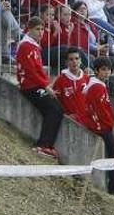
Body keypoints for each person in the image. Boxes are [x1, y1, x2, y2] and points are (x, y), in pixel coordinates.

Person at [16, 17, 64, 159]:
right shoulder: (26, 46)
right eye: (37, 29)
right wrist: (46, 86)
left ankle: (46, 144)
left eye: (42, 29)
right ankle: (43, 145)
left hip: (36, 85)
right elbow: (30, 70)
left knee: (57, 109)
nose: (41, 32)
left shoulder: (34, 46)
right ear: (29, 29)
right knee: (54, 109)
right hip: (29, 86)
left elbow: (38, 69)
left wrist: (47, 84)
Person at [83, 57, 114, 196]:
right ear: (96, 71)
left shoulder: (97, 85)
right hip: (102, 128)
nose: (107, 73)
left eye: (109, 70)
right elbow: (102, 111)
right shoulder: (97, 87)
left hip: (103, 126)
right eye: (103, 70)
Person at [52, 48, 91, 125]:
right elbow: (56, 101)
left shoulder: (87, 79)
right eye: (71, 59)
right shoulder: (61, 80)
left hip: (86, 122)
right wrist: (65, 115)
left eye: (77, 58)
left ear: (80, 61)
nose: (74, 62)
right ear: (66, 62)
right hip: (69, 123)